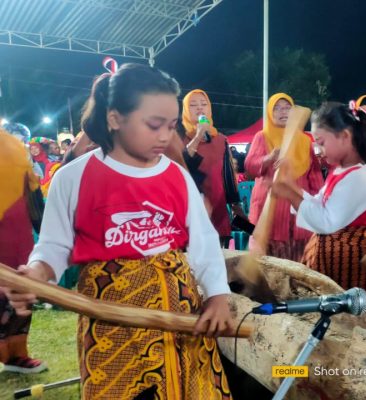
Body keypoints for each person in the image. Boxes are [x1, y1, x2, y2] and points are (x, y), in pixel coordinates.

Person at [1, 64, 233, 399]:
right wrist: (37, 274)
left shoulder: (177, 176)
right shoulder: (73, 177)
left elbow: (204, 243)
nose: (166, 137)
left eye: (170, 125)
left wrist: (217, 296)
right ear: (114, 118)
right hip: (111, 320)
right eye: (154, 125)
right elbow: (54, 245)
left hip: (179, 312)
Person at [272, 102, 366, 306]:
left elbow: (326, 220)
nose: (318, 150)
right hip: (336, 262)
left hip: (351, 266)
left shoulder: (360, 176)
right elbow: (319, 204)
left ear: (345, 136)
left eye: (322, 142)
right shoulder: (340, 170)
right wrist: (291, 183)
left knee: (348, 324)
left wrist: (290, 194)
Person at [245, 93, 324, 261]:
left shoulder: (304, 140)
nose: (283, 112)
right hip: (268, 208)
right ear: (269, 113)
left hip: (296, 208)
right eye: (277, 108)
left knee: (298, 261)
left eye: (288, 108)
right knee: (267, 263)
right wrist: (269, 158)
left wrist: (318, 201)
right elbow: (250, 166)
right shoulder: (262, 136)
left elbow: (315, 174)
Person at [0, 128, 46, 373]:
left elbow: (33, 195)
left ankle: (17, 355)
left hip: (20, 240)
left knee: (21, 294)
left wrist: (45, 231)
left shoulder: (15, 151)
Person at [180, 89, 244, 246]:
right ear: (187, 110)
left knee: (218, 261)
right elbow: (181, 163)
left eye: (204, 104)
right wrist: (197, 136)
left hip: (217, 209)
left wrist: (236, 206)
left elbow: (228, 175)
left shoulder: (220, 139)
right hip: (190, 210)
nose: (200, 108)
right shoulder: (179, 136)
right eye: (193, 105)